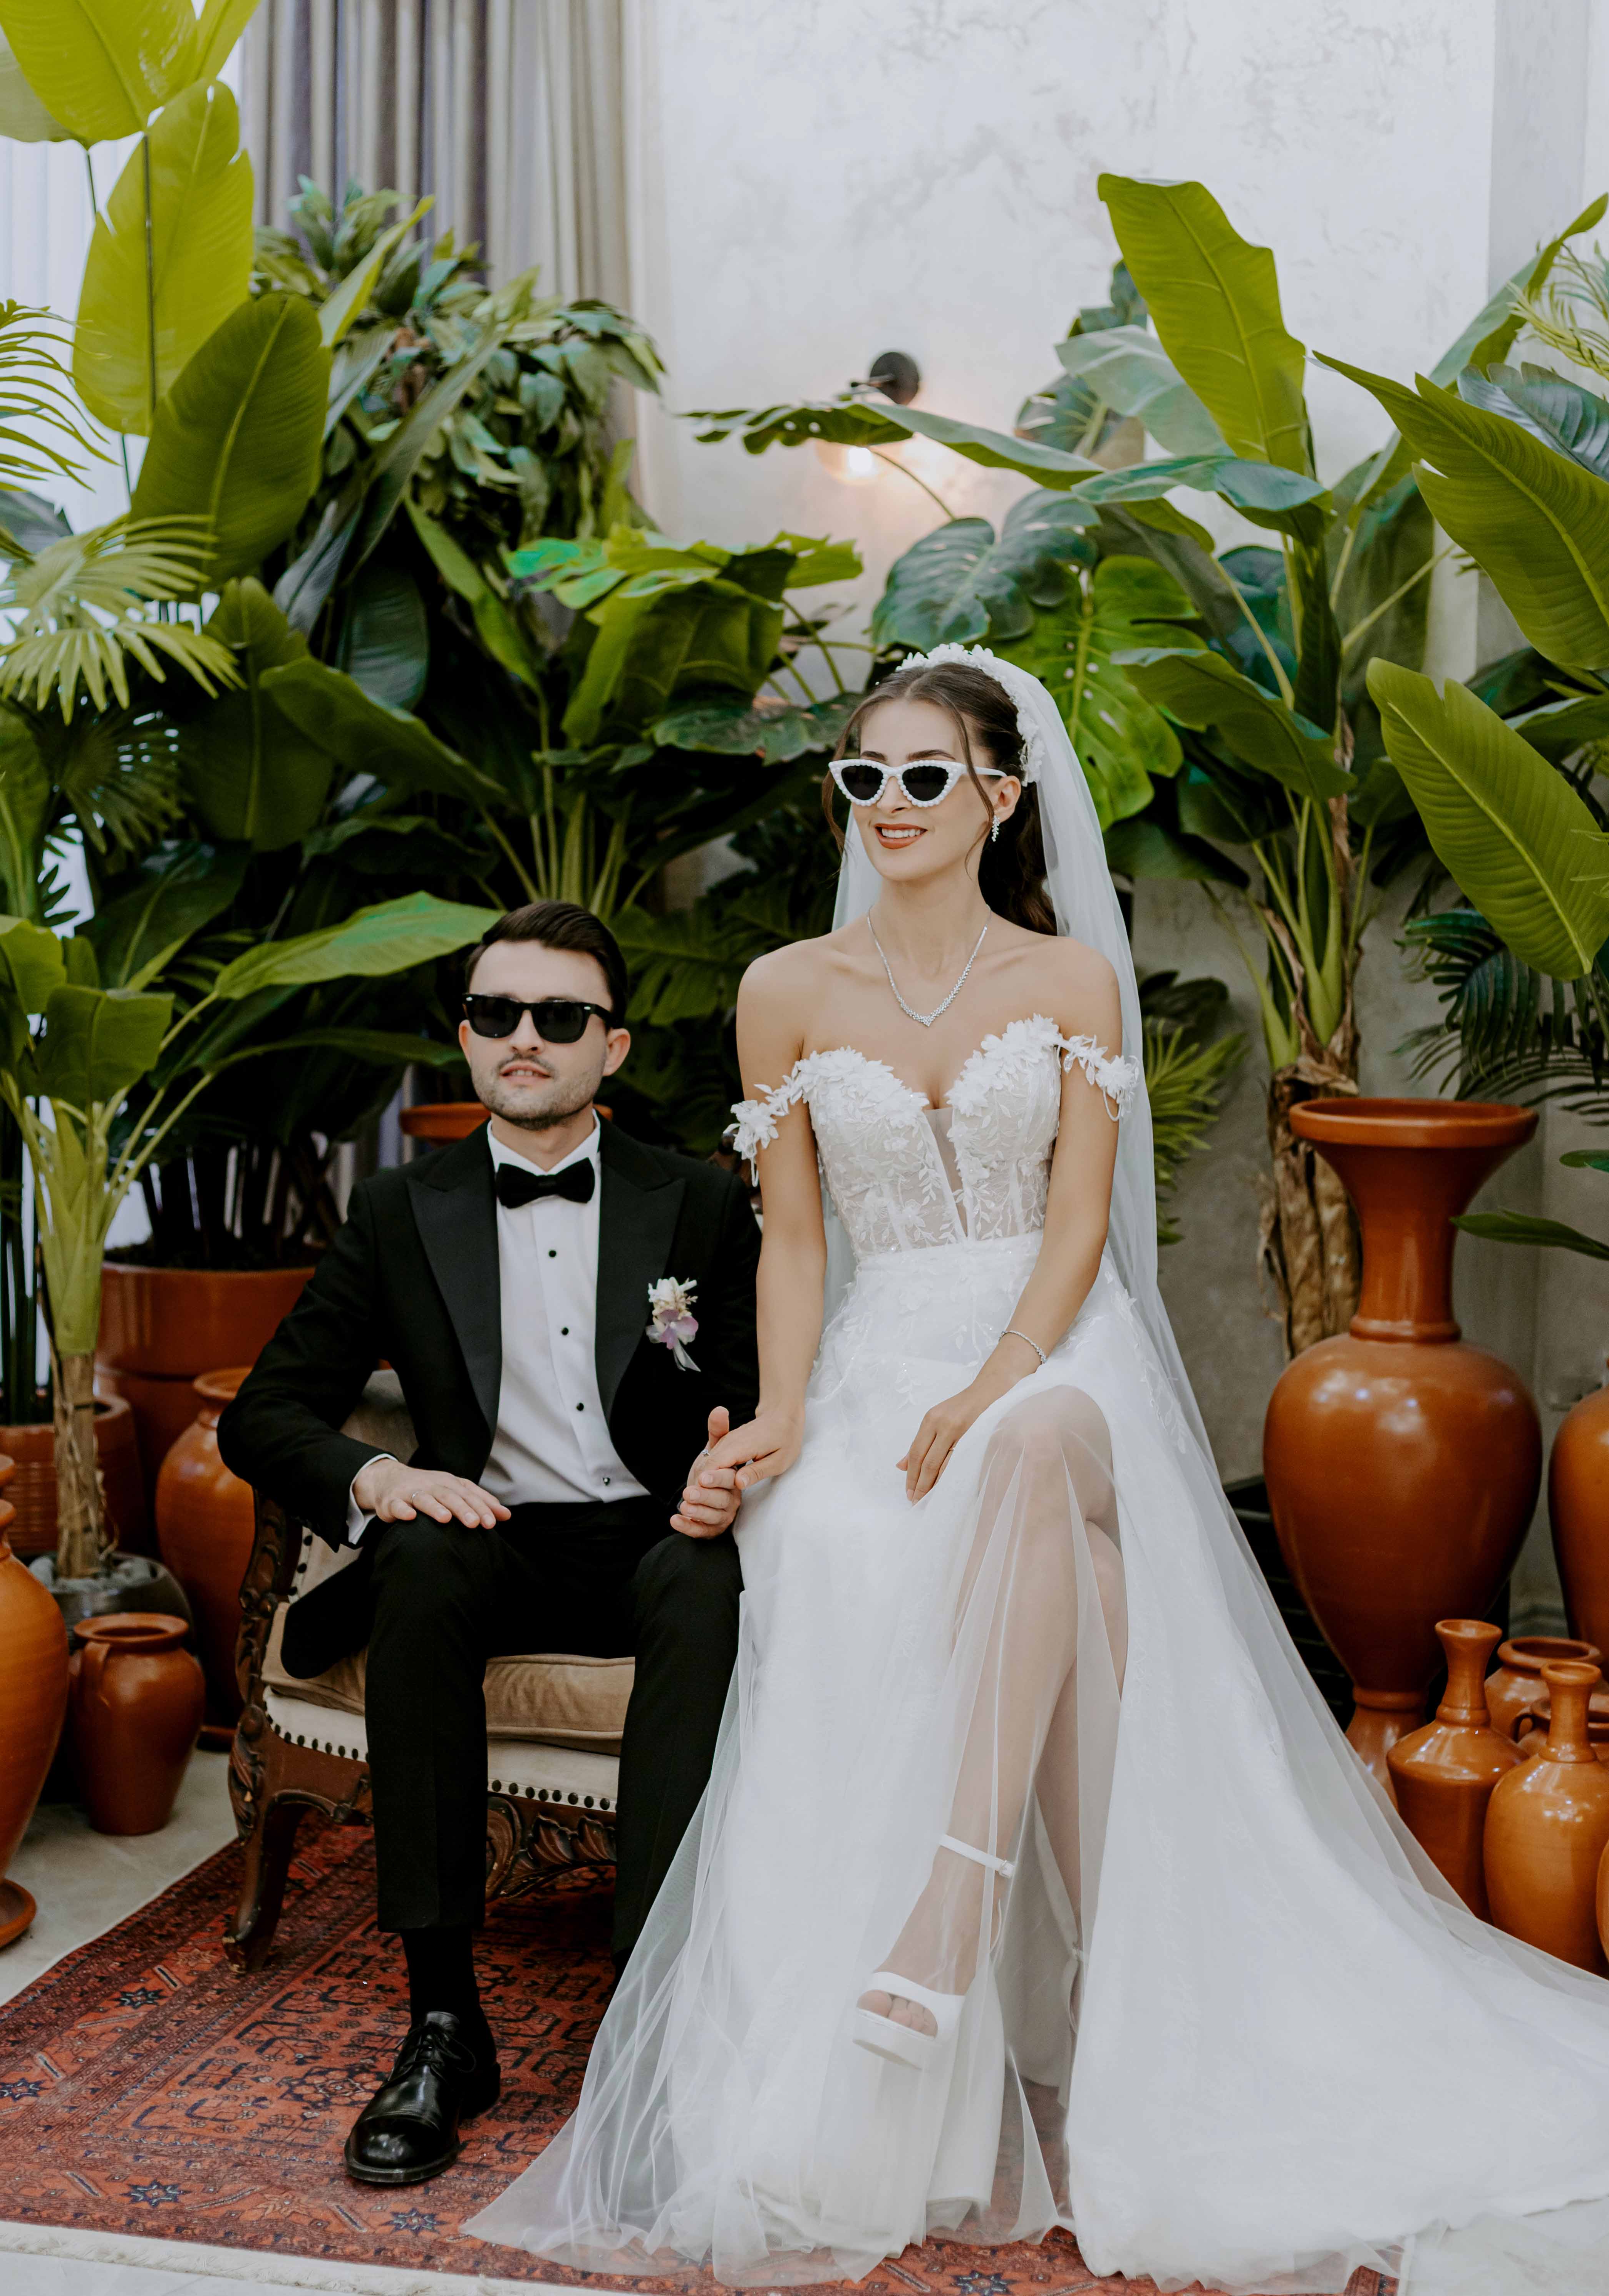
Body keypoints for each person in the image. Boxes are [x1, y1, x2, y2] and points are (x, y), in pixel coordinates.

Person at [468, 651, 1609, 2296]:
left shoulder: (1070, 979)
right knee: (934, 1541)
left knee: (1041, 1447)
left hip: (1050, 1347)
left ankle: (947, 1915)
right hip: (871, 1367)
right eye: (863, 777)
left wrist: (999, 1373)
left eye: (926, 775)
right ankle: (1040, 2020)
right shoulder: (786, 989)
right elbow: (795, 1238)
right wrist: (782, 1412)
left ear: (1001, 797)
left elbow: (1081, 1224)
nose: (890, 805)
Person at [219, 899, 760, 2190]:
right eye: (496, 1012)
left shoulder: (694, 1201)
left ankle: (647, 2022)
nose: (525, 1036)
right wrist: (383, 1475)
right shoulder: (399, 1208)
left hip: (654, 1531)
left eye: (559, 1016)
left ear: (610, 1048)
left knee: (705, 1584)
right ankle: (443, 2022)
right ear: (464, 1038)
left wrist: (729, 1463)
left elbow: (763, 1382)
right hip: (489, 1535)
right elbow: (264, 1412)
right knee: (415, 1555)